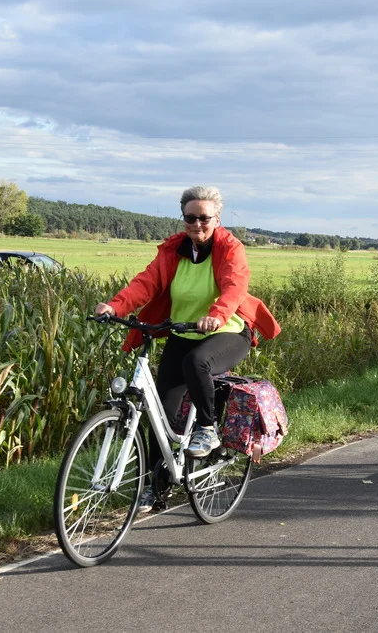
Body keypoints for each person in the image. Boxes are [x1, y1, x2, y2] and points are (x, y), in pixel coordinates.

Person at [94, 186, 281, 511]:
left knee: (197, 362)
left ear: (216, 218)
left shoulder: (229, 249)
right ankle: (157, 488)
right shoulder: (174, 250)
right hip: (183, 331)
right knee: (158, 415)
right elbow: (146, 283)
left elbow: (234, 286)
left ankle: (207, 429)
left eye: (204, 218)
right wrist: (115, 307)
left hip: (227, 331)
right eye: (190, 218)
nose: (197, 224)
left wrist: (216, 315)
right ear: (183, 219)